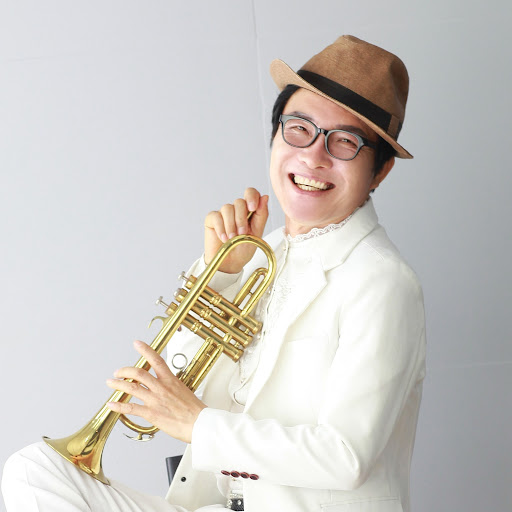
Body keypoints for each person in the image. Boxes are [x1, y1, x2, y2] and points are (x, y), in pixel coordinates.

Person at [2, 35, 426, 512]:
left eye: (344, 142)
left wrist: (198, 425)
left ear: (379, 171)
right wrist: (219, 273)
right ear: (275, 137)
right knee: (32, 469)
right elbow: (183, 383)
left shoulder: (384, 282)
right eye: (299, 129)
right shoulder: (262, 254)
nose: (313, 156)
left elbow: (345, 457)